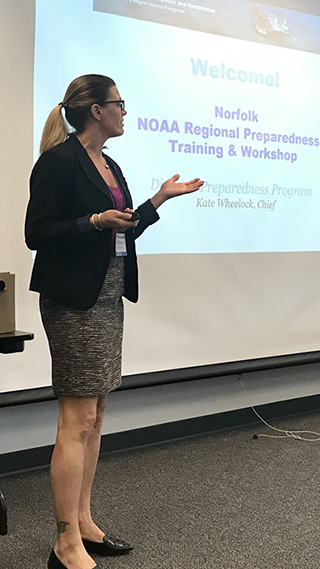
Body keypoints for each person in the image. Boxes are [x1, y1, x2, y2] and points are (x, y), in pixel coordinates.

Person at [24, 74, 203, 569]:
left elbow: (125, 224)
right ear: (95, 110)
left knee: (96, 416)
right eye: (119, 103)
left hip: (107, 300)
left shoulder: (111, 164)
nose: (125, 111)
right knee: (77, 419)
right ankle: (64, 542)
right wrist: (94, 222)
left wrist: (159, 200)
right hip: (74, 304)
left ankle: (83, 522)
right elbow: (35, 233)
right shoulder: (58, 162)